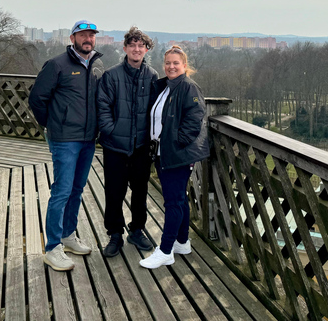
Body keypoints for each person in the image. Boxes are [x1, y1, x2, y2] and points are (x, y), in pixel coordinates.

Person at [29, 20, 104, 271]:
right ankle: (52, 247)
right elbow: (37, 98)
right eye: (82, 35)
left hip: (87, 139)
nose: (87, 39)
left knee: (77, 189)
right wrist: (52, 125)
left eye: (91, 36)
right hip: (64, 139)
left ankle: (68, 235)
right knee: (61, 191)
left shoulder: (95, 66)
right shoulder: (57, 65)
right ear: (72, 38)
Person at [140, 45, 208, 269]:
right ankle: (182, 241)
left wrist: (177, 142)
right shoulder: (167, 87)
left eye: (176, 63)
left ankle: (166, 250)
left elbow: (195, 118)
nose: (171, 66)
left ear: (185, 66)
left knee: (172, 202)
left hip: (176, 154)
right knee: (179, 199)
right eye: (168, 63)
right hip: (163, 152)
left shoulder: (188, 87)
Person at [97, 27, 159, 257]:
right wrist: (110, 130)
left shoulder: (151, 75)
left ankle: (136, 230)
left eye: (140, 45)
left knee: (140, 191)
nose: (136, 49)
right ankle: (115, 235)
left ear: (146, 49)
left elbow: (155, 109)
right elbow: (102, 106)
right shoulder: (112, 75)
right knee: (114, 192)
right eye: (132, 45)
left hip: (141, 146)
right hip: (115, 146)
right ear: (125, 48)